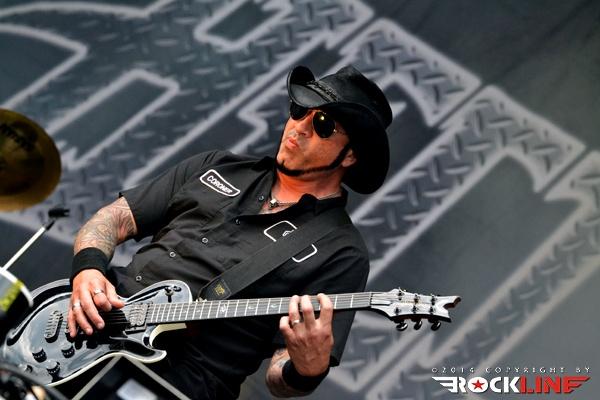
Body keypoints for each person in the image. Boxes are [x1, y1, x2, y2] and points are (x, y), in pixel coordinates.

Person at [67, 65, 393, 399]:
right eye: (299, 110)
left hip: (175, 383)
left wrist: (305, 368)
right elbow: (114, 218)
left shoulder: (341, 251)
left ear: (350, 155)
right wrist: (88, 270)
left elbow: (279, 378)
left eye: (322, 124)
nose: (299, 127)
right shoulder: (216, 165)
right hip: (92, 329)